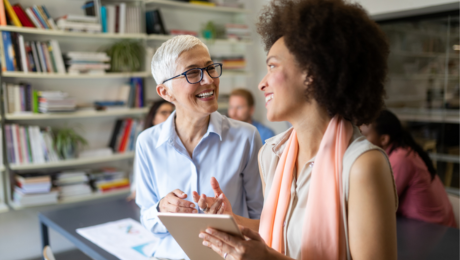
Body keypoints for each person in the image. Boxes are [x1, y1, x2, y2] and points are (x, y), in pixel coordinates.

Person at [197, 0, 398, 259]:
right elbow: (283, 231)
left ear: (311, 72)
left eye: (272, 66)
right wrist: (232, 220)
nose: (262, 84)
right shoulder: (271, 154)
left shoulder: (362, 165)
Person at [135, 35, 264, 260]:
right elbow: (147, 218)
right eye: (192, 72)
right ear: (165, 93)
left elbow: (263, 221)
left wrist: (230, 219)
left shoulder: (246, 137)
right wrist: (161, 209)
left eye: (210, 68)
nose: (208, 80)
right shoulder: (147, 143)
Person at [360, 110, 456, 227]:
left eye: (363, 136)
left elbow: (378, 206)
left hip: (434, 230)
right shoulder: (403, 151)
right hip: (426, 225)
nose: (358, 142)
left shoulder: (401, 159)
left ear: (384, 139)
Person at [127, 100, 175, 201]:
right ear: (153, 118)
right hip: (155, 201)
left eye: (172, 112)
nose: (170, 116)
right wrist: (137, 190)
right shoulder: (145, 142)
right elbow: (139, 175)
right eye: (164, 112)